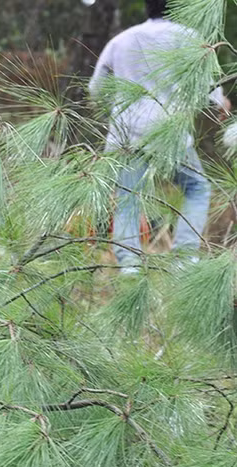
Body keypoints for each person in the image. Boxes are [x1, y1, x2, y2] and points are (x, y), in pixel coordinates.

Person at [89, 0, 230, 271]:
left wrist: (112, 117)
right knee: (197, 188)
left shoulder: (121, 40)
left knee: (128, 199)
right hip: (171, 135)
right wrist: (221, 103)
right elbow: (209, 89)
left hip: (126, 135)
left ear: (147, 8)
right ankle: (184, 259)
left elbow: (96, 90)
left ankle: (129, 267)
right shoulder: (189, 38)